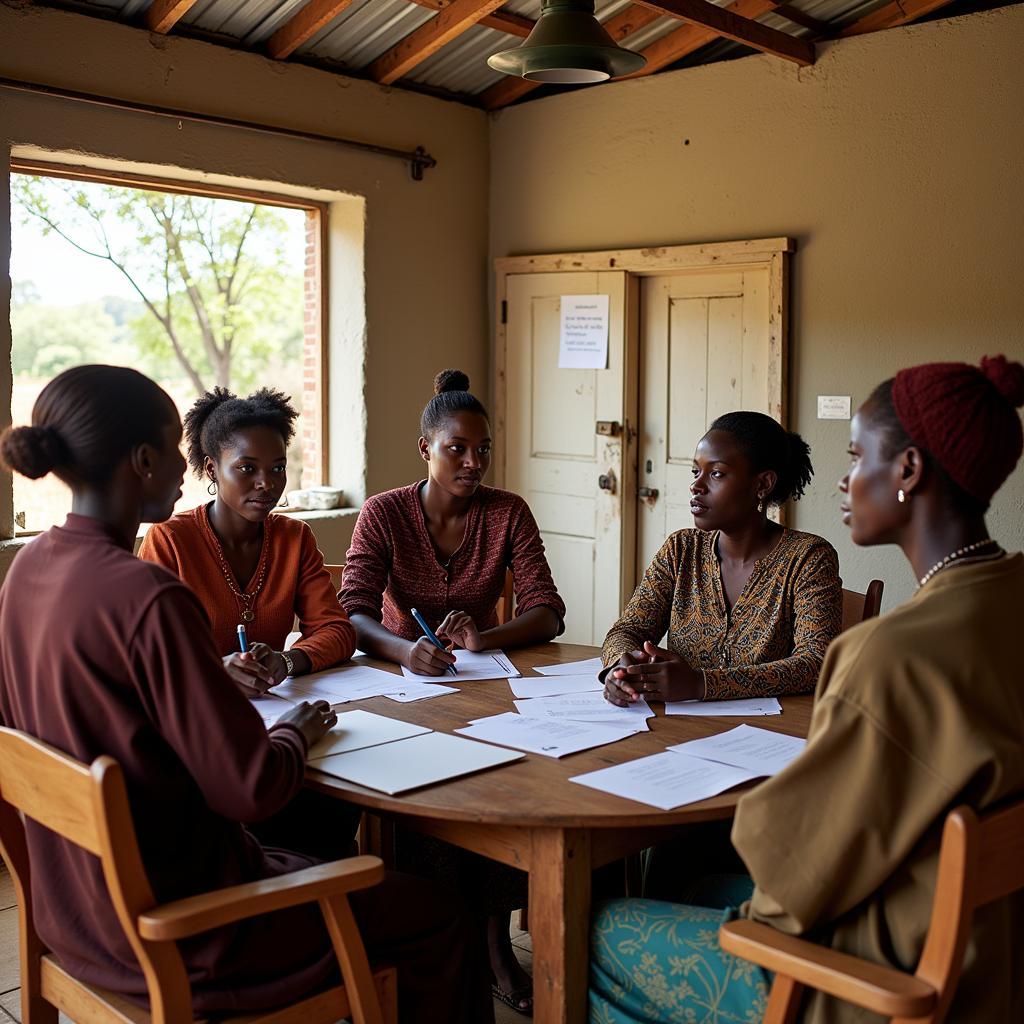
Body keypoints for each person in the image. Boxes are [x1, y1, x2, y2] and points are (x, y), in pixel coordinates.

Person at [0, 365, 494, 1023]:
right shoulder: (149, 598)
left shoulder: (28, 570)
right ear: (144, 461)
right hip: (190, 929)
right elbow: (251, 789)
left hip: (80, 915)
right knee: (437, 915)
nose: (185, 464)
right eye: (176, 447)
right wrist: (295, 730)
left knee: (320, 847)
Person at [589, 355, 1024, 1023]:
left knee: (601, 927)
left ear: (907, 471)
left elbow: (791, 878)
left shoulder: (888, 655)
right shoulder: (1007, 604)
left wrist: (703, 687)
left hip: (868, 971)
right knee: (688, 880)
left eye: (856, 457)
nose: (845, 480)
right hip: (987, 948)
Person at [341, 368, 566, 1014]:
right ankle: (445, 937)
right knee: (426, 797)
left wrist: (485, 640)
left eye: (482, 450)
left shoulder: (507, 513)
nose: (473, 463)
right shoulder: (385, 513)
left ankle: (492, 938)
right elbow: (350, 610)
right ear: (425, 450)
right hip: (398, 690)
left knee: (505, 786)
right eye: (456, 449)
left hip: (481, 689)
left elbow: (549, 610)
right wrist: (402, 648)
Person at [602, 411, 842, 707]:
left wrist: (701, 684)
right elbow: (627, 630)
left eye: (716, 473)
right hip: (678, 731)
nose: (696, 486)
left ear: (763, 484)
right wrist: (620, 667)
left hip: (771, 735)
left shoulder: (808, 558)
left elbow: (816, 663)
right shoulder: (681, 549)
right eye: (696, 472)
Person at [139, 387, 354, 695]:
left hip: (274, 709)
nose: (267, 483)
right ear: (212, 469)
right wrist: (218, 670)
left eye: (278, 468)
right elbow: (151, 651)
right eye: (247, 468)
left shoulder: (294, 538)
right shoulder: (170, 540)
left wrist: (287, 661)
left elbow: (337, 631)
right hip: (196, 709)